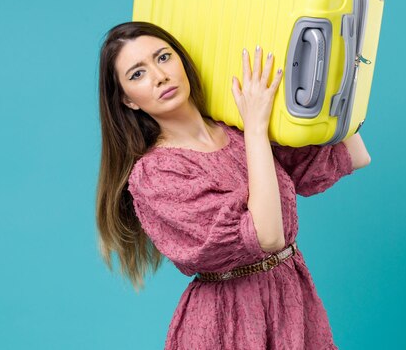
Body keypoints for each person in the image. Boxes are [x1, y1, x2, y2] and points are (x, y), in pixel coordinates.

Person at [95, 21, 371, 350]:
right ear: (128, 101)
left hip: (291, 301)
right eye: (137, 74)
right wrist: (256, 126)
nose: (159, 76)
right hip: (229, 323)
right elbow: (267, 236)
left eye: (163, 57)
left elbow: (355, 154)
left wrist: (340, 78)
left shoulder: (236, 128)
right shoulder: (156, 174)